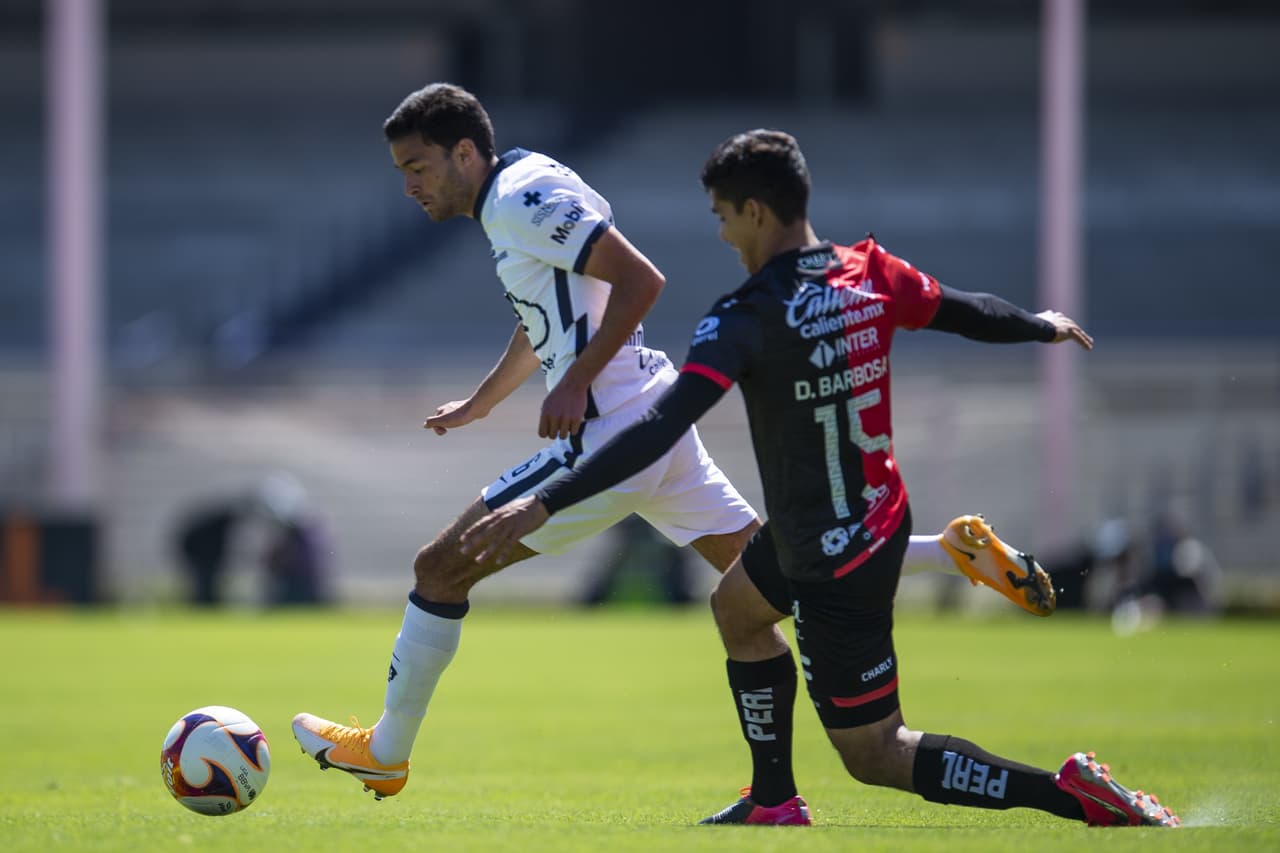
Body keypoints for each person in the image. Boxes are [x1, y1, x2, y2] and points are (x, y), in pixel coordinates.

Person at [290, 85, 1054, 802]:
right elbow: (548, 309)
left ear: (464, 154)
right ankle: (945, 553)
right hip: (646, 412)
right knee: (765, 572)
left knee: (440, 566)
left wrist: (577, 379)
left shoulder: (520, 199)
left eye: (416, 167)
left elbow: (640, 280)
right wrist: (483, 402)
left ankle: (387, 751)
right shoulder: (521, 184)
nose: (409, 186)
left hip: (616, 427)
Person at [461, 129, 1180, 828]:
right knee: (737, 610)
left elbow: (659, 427)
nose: (719, 236)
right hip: (858, 517)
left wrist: (544, 502)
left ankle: (1073, 794)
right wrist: (1041, 324)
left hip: (838, 559)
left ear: (756, 213)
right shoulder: (870, 273)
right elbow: (966, 311)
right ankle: (774, 800)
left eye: (721, 217)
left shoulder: (745, 319)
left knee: (875, 753)